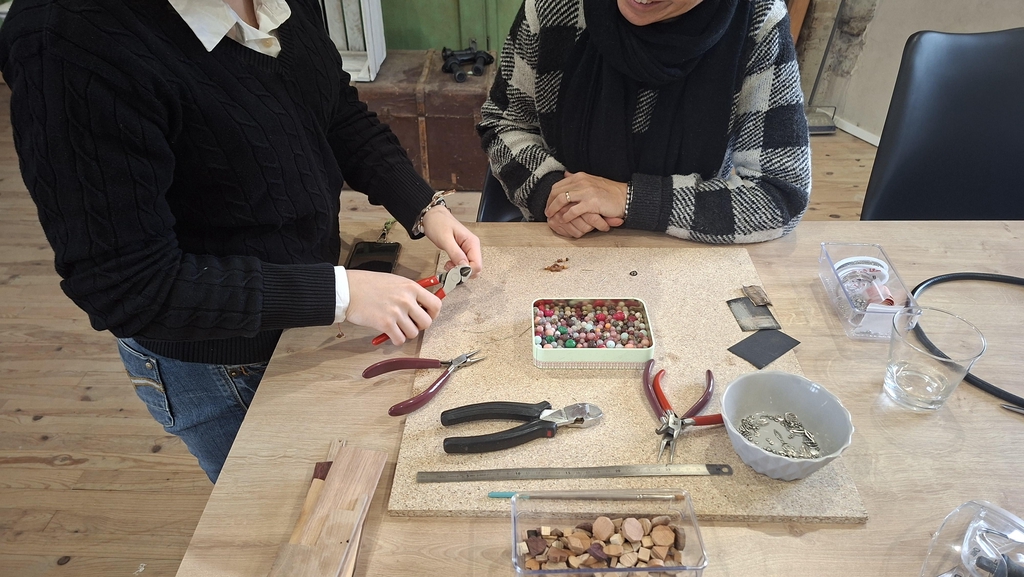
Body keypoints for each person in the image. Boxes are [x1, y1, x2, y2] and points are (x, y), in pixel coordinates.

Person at [0, 0, 483, 482]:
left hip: (308, 313)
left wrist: (423, 204)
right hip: (218, 363)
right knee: (275, 515)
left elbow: (331, 109)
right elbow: (128, 285)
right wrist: (341, 293)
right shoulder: (68, 40)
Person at [478, 0, 811, 242]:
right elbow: (504, 122)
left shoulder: (757, 21)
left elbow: (781, 194)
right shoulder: (554, 7)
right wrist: (553, 194)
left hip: (688, 242)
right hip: (562, 235)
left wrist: (632, 200)